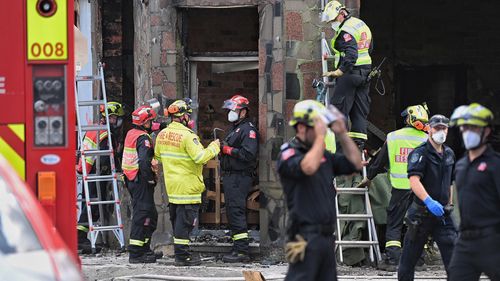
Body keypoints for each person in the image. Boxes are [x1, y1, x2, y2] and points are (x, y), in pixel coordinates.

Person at [277, 100, 362, 281]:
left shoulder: (323, 156)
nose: (321, 131)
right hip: (300, 236)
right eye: (316, 127)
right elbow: (307, 167)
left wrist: (342, 133)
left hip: (325, 236)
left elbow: (355, 164)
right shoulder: (288, 152)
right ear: (301, 127)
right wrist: (320, 137)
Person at [357, 104, 429, 271]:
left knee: (395, 223)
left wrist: (368, 177)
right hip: (421, 189)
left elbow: (380, 161)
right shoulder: (427, 140)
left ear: (408, 119)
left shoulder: (394, 137)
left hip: (400, 188)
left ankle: (392, 260)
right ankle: (418, 261)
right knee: (416, 223)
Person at [154, 99, 220, 266]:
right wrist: (214, 147)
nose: (189, 118)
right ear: (183, 116)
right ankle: (182, 257)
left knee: (178, 223)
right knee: (184, 225)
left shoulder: (162, 135)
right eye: (188, 115)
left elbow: (158, 158)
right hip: (188, 188)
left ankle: (181, 254)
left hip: (172, 188)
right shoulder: (188, 136)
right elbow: (200, 157)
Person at [398, 114, 457, 281]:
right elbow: (414, 180)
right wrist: (429, 201)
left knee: (454, 259)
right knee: (409, 260)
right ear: (429, 129)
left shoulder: (449, 154)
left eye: (444, 128)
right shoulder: (420, 153)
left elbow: (450, 181)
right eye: (437, 128)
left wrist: (450, 203)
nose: (441, 131)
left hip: (442, 214)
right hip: (422, 214)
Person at [448, 103, 500, 280]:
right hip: (465, 242)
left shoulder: (495, 165)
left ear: (486, 131)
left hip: (492, 240)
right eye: (465, 127)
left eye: (473, 128)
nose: (467, 132)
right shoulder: (461, 165)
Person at [321, 0, 373, 148]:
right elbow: (370, 48)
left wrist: (340, 70)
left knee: (339, 107)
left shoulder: (346, 31)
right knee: (359, 109)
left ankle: (338, 143)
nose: (332, 23)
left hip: (350, 73)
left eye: (332, 20)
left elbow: (351, 54)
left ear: (341, 14)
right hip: (365, 73)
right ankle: (358, 143)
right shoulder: (360, 24)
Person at [76, 101, 125, 253]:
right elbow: (104, 158)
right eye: (116, 118)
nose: (117, 121)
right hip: (96, 174)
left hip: (87, 172)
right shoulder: (105, 134)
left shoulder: (94, 129)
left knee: (88, 204)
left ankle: (81, 238)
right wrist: (114, 170)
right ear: (109, 117)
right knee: (93, 207)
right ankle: (79, 238)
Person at [220, 94, 259, 263]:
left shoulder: (248, 130)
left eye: (233, 110)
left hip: (239, 177)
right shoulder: (236, 128)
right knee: (232, 211)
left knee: (236, 211)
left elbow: (248, 154)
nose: (230, 113)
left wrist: (228, 150)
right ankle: (237, 248)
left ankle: (242, 252)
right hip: (231, 177)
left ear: (243, 112)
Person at [122, 105, 158, 263]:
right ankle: (136, 253)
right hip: (140, 180)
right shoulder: (143, 138)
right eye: (151, 121)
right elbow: (144, 161)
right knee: (142, 214)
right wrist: (150, 177)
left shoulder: (131, 133)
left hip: (132, 179)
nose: (152, 124)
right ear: (145, 123)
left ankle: (145, 249)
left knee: (151, 215)